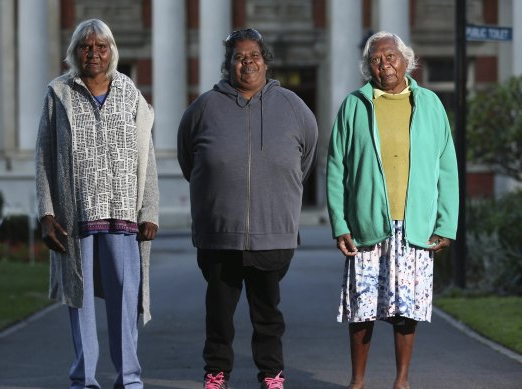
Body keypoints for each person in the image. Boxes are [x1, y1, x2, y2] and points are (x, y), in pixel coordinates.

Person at [177, 28, 318, 389]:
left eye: (254, 55)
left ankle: (271, 374)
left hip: (272, 233)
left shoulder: (292, 106)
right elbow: (188, 160)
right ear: (228, 65)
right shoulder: (203, 107)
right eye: (239, 57)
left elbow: (306, 157)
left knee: (267, 314)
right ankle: (216, 372)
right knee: (219, 315)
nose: (247, 62)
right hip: (219, 232)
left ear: (266, 61)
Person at [326, 31, 459, 389]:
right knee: (361, 309)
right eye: (375, 58)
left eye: (390, 57)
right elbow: (336, 167)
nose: (384, 64)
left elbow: (447, 166)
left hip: (415, 224)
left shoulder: (430, 104)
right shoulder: (355, 104)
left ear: (407, 60)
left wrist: (446, 224)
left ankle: (402, 381)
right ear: (367, 66)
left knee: (406, 309)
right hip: (367, 225)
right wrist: (340, 223)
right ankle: (357, 381)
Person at [35, 19, 159, 389]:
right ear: (75, 52)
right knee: (82, 301)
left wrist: (149, 210)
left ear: (111, 51)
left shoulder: (130, 92)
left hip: (123, 216)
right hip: (77, 218)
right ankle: (85, 379)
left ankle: (130, 378)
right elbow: (44, 156)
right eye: (86, 47)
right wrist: (46, 213)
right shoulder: (59, 93)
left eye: (101, 46)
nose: (93, 53)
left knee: (125, 301)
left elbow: (146, 155)